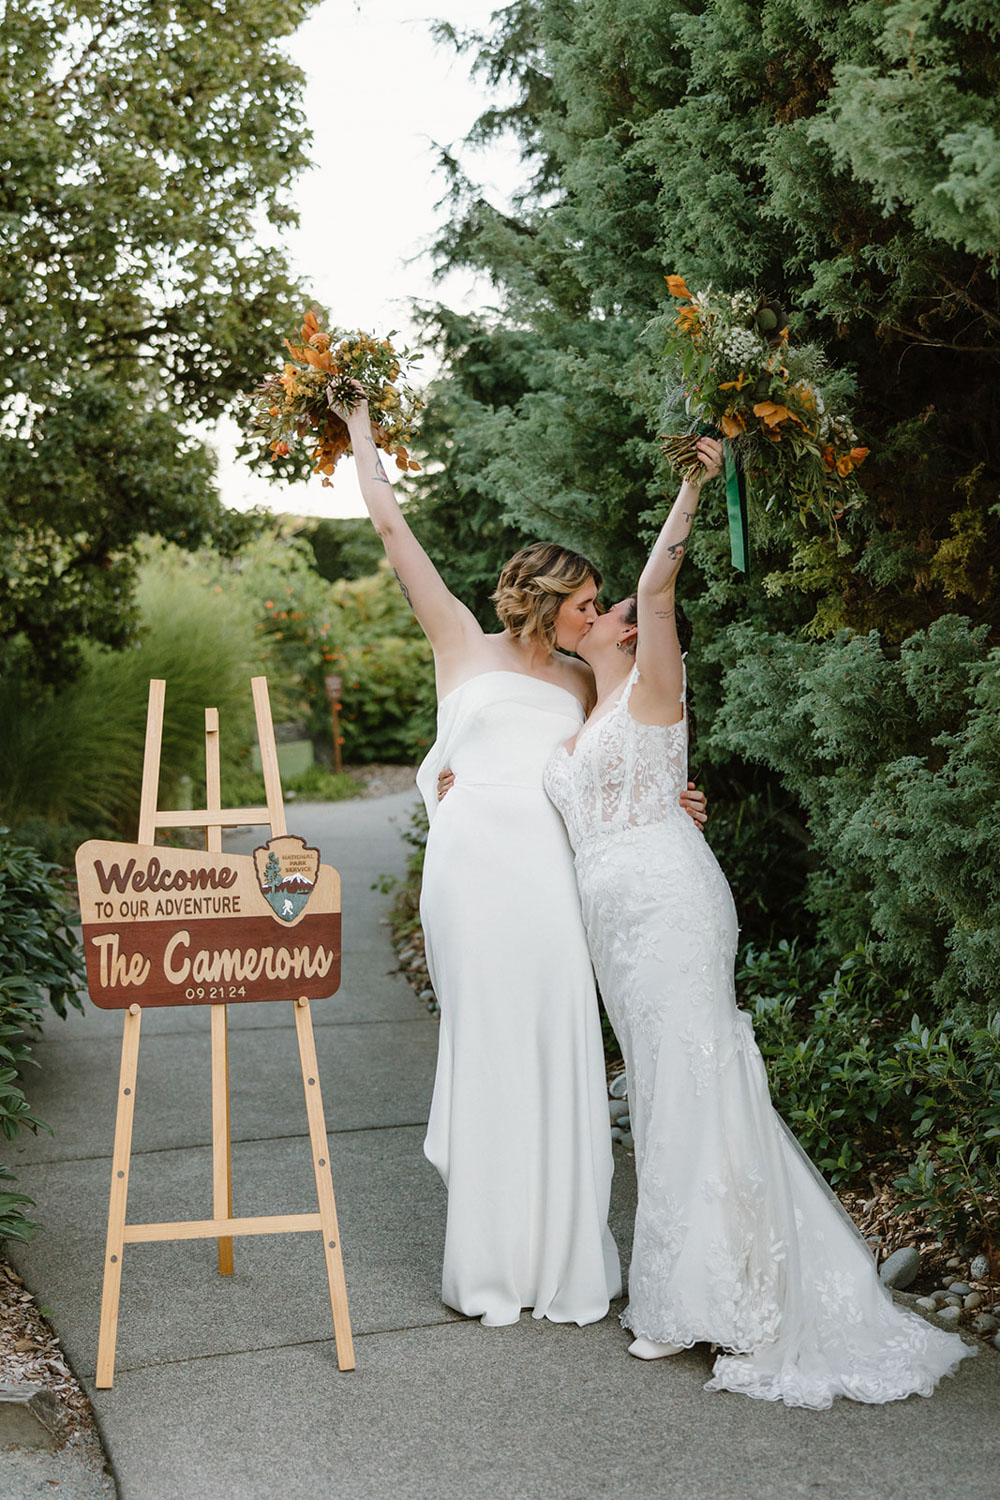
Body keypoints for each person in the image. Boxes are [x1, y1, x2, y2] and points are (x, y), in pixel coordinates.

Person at [543, 436, 974, 1405]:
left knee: (695, 1082)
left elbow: (658, 589)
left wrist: (691, 486)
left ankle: (739, 1306)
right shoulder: (567, 715)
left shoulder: (654, 684)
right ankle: (692, 1290)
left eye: (615, 605)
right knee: (658, 1090)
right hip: (612, 926)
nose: (612, 610)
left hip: (669, 902)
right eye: (594, 606)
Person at [340, 392, 705, 1325]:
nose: (596, 613)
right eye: (585, 601)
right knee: (492, 1044)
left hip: (552, 874)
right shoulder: (460, 644)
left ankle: (567, 1260)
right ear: (545, 600)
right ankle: (492, 1262)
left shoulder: (589, 680)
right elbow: (391, 530)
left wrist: (675, 801)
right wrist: (357, 428)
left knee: (560, 1046)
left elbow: (619, 759)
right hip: (471, 872)